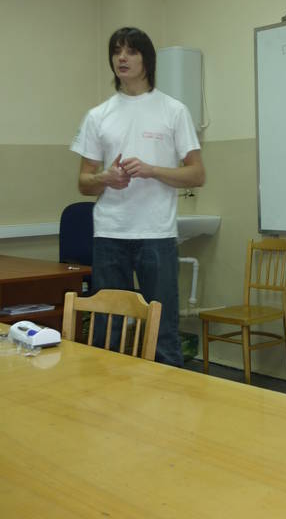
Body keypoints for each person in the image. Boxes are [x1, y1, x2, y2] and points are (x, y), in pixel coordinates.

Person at [71, 27, 205, 367]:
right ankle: (109, 394)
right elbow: (84, 183)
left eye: (131, 51)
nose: (122, 58)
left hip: (156, 234)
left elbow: (197, 174)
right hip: (110, 233)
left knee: (162, 331)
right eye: (116, 51)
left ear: (147, 59)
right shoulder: (98, 115)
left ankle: (168, 395)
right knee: (108, 330)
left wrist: (152, 170)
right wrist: (106, 178)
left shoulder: (173, 111)